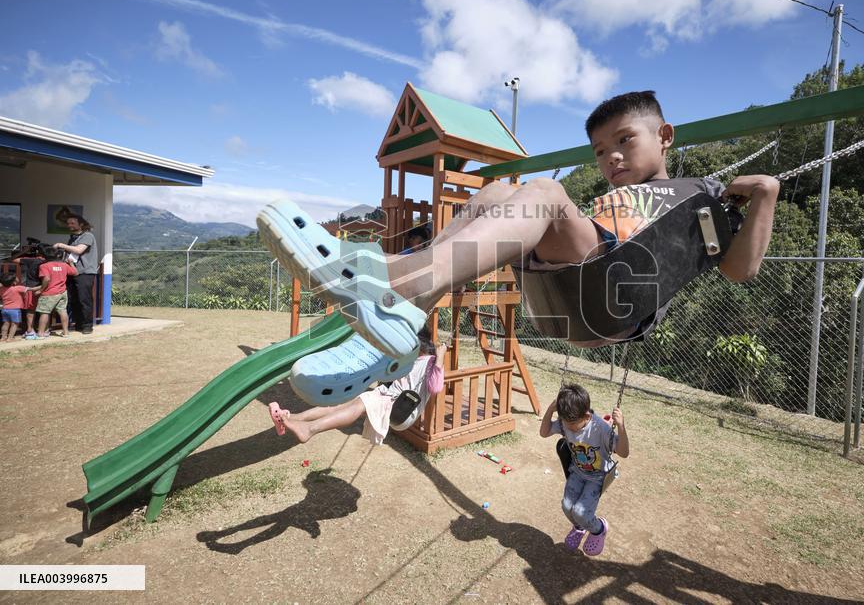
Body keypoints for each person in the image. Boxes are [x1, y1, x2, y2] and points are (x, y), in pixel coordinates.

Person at [257, 89, 779, 360]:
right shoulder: (615, 197)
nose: (612, 158)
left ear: (664, 135)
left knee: (548, 192)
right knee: (494, 191)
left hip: (615, 293)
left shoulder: (697, 194)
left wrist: (765, 195)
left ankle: (400, 281)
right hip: (574, 287)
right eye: (601, 150)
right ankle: (410, 298)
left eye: (625, 140)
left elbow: (741, 269)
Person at [269, 327, 447, 446]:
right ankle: (292, 417)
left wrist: (440, 358)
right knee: (343, 402)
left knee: (359, 403)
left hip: (400, 409)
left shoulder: (431, 362)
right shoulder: (407, 359)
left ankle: (308, 429)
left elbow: (435, 387)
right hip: (386, 396)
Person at [539, 382, 629, 557]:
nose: (570, 428)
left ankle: (599, 529)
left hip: (597, 477)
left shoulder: (600, 429)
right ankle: (580, 528)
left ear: (586, 415)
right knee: (566, 507)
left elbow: (624, 453)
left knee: (580, 512)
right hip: (577, 472)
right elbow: (544, 432)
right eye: (566, 423)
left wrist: (621, 426)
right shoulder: (567, 421)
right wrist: (551, 409)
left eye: (574, 425)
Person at [54, 214, 98, 334]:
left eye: (72, 223)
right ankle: (79, 324)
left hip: (85, 272)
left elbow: (79, 250)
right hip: (72, 272)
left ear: (81, 224)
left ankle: (87, 325)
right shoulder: (73, 238)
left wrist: (61, 245)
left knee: (84, 299)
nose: (69, 225)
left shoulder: (88, 235)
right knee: (74, 300)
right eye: (68, 223)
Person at [26, 246, 77, 339]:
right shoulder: (64, 265)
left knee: (44, 312)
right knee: (63, 311)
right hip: (62, 292)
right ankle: (66, 332)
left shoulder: (44, 266)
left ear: (43, 256)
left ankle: (41, 333)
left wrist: (41, 290)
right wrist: (71, 264)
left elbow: (47, 279)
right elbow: (75, 273)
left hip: (49, 293)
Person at [10, 245, 43, 338]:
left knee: (30, 310)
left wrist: (23, 252)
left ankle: (30, 330)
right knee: (44, 310)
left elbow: (12, 259)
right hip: (45, 287)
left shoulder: (30, 260)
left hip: (31, 288)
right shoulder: (50, 260)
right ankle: (44, 330)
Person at [0, 273, 28, 342]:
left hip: (5, 309)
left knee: (6, 323)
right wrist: (40, 287)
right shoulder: (17, 288)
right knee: (15, 324)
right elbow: (30, 289)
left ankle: (3, 337)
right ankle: (10, 338)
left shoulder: (1, 289)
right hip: (15, 310)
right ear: (14, 282)